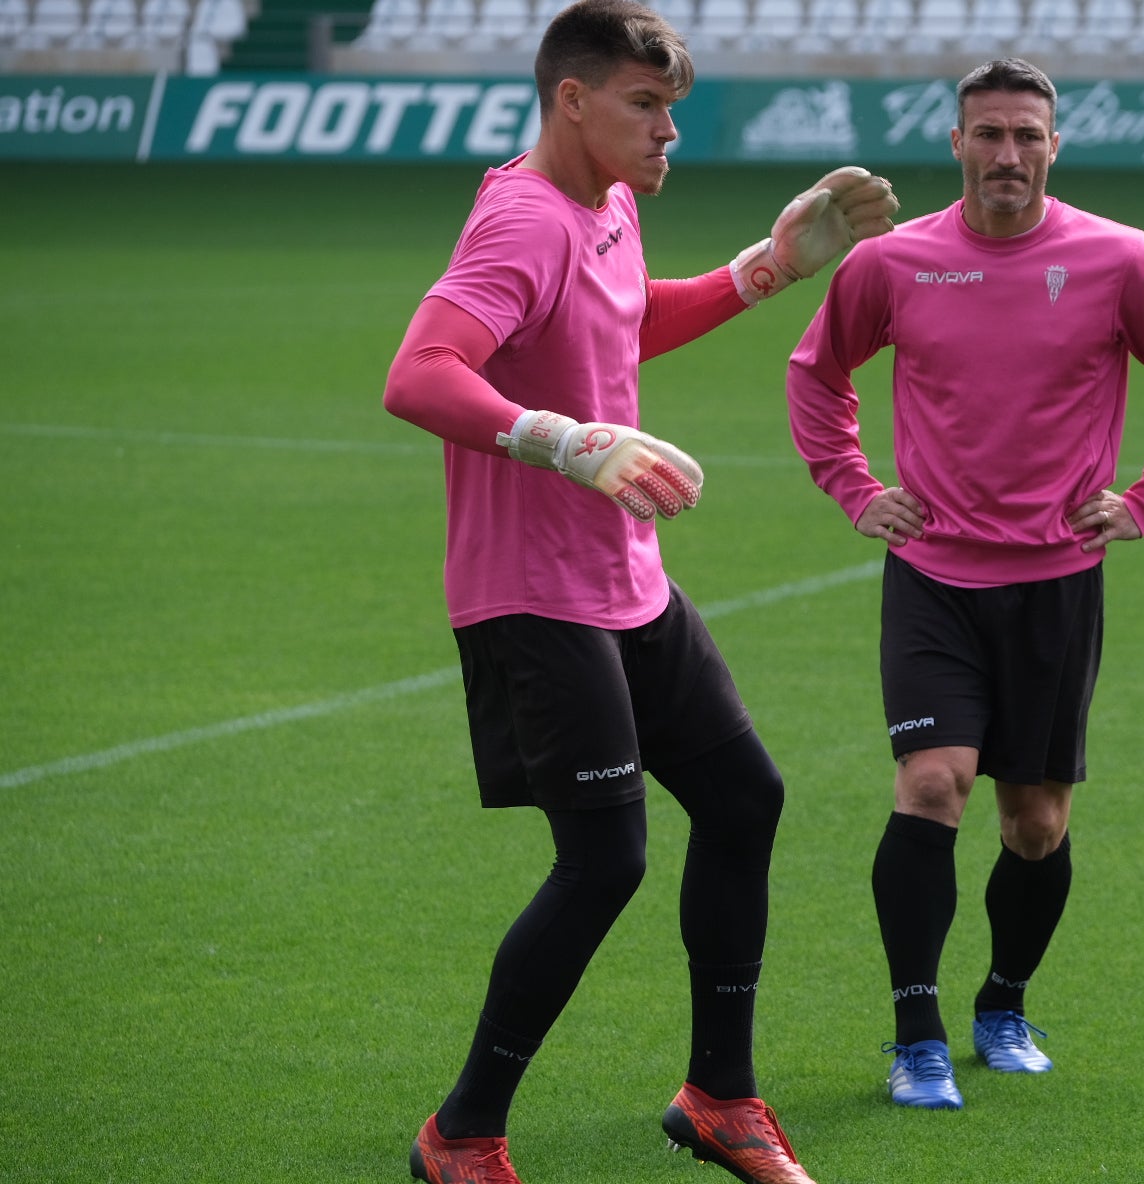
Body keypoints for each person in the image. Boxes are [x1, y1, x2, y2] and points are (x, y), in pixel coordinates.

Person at [382, 2, 897, 1181]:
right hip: (532, 591)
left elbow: (619, 319)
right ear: (573, 99)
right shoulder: (521, 220)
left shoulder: (605, 201)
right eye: (646, 107)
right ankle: (460, 1133)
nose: (669, 134)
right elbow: (419, 375)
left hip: (624, 578)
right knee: (605, 859)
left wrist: (764, 270)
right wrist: (561, 439)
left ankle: (720, 1093)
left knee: (743, 799)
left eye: (673, 110)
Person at [783, 57, 1144, 1111]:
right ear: (956, 144)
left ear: (1054, 146)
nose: (1007, 154)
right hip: (934, 573)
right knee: (932, 783)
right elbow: (818, 373)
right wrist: (854, 487)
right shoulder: (893, 263)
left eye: (1027, 135)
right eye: (988, 133)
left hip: (1058, 582)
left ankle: (1003, 999)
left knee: (1034, 821)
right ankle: (917, 1034)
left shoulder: (1123, 260)